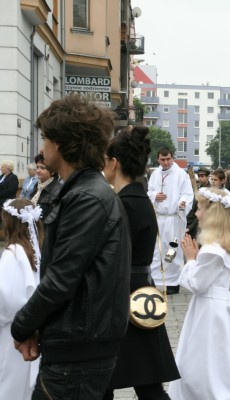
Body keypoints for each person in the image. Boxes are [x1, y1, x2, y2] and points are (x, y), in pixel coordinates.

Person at [11, 94, 131, 399]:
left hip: (78, 354)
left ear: (61, 143)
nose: (42, 147)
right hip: (79, 348)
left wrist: (21, 326)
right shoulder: (83, 192)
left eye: (46, 138)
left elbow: (61, 279)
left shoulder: (87, 197)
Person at [102, 127, 180, 399]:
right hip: (141, 292)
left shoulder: (120, 204)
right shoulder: (140, 201)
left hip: (121, 295)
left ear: (115, 163)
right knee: (147, 384)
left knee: (107, 380)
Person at [168, 187, 230, 400]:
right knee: (202, 364)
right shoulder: (220, 244)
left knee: (202, 367)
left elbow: (198, 283)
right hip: (211, 308)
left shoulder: (214, 249)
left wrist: (191, 259)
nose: (196, 213)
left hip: (210, 311)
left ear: (212, 213)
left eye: (200, 209)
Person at [0, 199, 42, 400]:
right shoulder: (39, 251)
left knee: (10, 385)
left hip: (12, 333)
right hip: (32, 327)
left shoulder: (13, 254)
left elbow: (4, 299)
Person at [147, 147, 194, 295]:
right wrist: (155, 196)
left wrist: (182, 202)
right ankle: (156, 280)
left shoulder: (181, 174)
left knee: (172, 249)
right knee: (157, 249)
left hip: (174, 218)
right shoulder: (154, 174)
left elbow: (188, 193)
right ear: (158, 159)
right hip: (159, 218)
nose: (166, 162)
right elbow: (149, 191)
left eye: (168, 159)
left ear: (172, 157)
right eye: (163, 159)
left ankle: (173, 282)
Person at [30, 153, 62, 220]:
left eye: (42, 168)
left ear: (52, 171)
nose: (38, 171)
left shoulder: (58, 189)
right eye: (37, 167)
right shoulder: (37, 186)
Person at [186, 166, 211, 239]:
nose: (200, 178)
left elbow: (203, 211)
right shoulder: (196, 187)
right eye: (199, 176)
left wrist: (190, 227)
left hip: (200, 224)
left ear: (207, 177)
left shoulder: (210, 191)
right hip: (191, 220)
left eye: (202, 176)